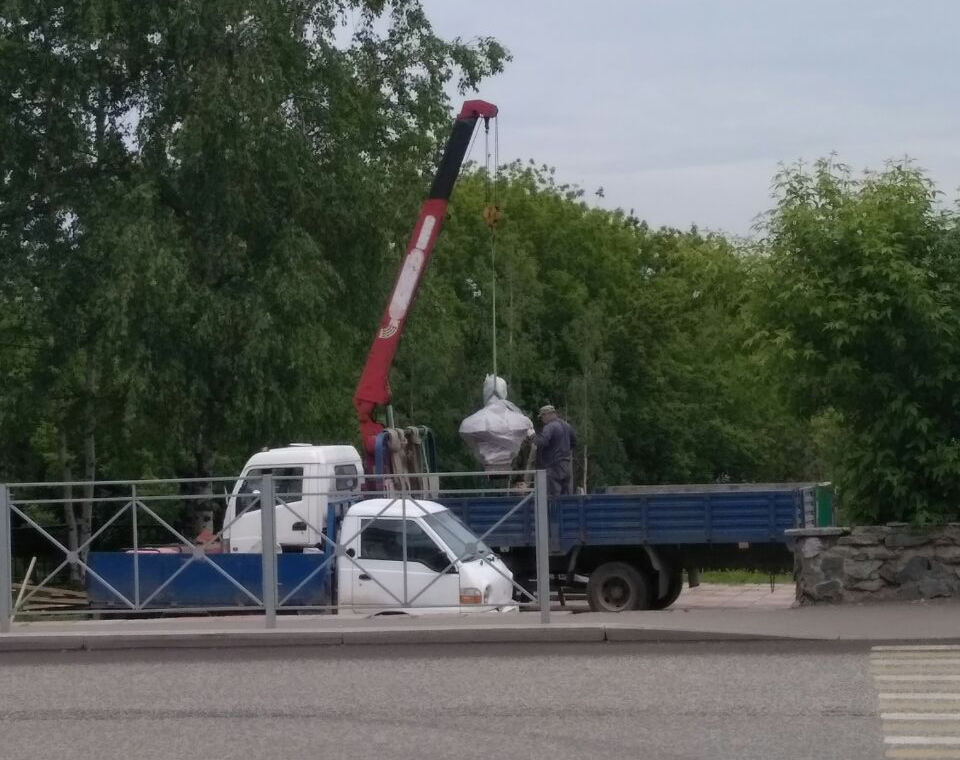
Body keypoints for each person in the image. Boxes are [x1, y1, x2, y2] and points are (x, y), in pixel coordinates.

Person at [526, 405, 577, 496]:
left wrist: (532, 436)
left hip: (553, 467)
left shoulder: (550, 427)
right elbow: (574, 442)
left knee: (553, 496)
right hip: (566, 466)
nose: (542, 419)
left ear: (548, 414)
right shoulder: (567, 426)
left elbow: (542, 442)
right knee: (565, 496)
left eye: (542, 416)